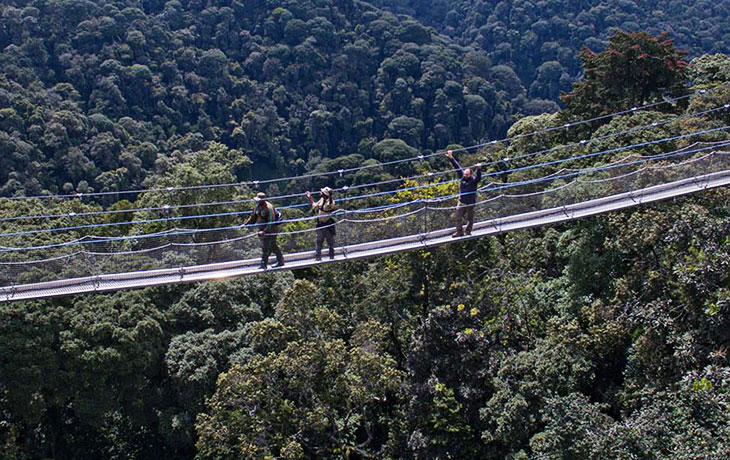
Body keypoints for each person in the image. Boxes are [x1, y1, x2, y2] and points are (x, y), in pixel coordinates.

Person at [446, 150, 482, 237]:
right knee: (457, 217)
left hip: (470, 203)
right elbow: (457, 167)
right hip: (462, 201)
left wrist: (479, 169)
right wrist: (451, 157)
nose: (465, 176)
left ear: (470, 174)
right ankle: (459, 232)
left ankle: (468, 231)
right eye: (465, 174)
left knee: (470, 218)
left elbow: (478, 178)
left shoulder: (473, 181)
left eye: (467, 175)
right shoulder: (462, 177)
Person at [244, 192, 285, 269]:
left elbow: (271, 222)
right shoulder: (257, 207)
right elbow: (253, 216)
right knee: (273, 246)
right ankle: (281, 261)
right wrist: (246, 224)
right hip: (262, 230)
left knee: (266, 247)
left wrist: (264, 231)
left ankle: (263, 264)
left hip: (271, 231)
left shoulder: (269, 208)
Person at [305, 187, 337, 261]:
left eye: (322, 193)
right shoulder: (322, 200)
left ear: (325, 195)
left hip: (328, 224)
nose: (320, 193)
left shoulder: (330, 202)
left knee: (330, 242)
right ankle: (318, 257)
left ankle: (331, 257)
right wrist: (310, 198)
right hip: (320, 224)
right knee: (319, 241)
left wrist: (330, 196)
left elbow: (330, 204)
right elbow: (315, 206)